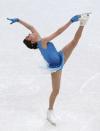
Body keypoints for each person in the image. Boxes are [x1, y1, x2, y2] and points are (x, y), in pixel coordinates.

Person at [7, 13, 91, 125]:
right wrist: (70, 21)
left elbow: (31, 27)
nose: (30, 33)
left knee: (74, 42)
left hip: (61, 56)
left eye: (28, 34)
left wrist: (18, 20)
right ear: (32, 41)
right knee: (56, 91)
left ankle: (83, 23)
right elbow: (58, 32)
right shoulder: (42, 42)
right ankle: (49, 111)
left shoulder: (40, 39)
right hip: (55, 68)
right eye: (29, 36)